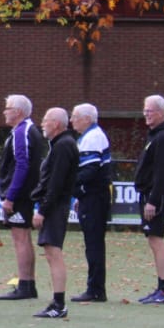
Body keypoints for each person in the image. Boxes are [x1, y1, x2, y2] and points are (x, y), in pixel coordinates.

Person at [0, 94, 46, 301]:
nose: (4, 112)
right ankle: (27, 284)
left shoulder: (22, 131)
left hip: (21, 195)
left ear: (17, 111)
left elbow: (22, 165)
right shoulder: (25, 131)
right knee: (22, 237)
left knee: (21, 237)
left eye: (7, 108)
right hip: (24, 193)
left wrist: (11, 196)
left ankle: (26, 284)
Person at [31, 107, 79, 319]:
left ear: (57, 124)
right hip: (55, 204)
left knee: (54, 252)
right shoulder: (60, 144)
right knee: (51, 252)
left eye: (46, 120)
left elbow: (56, 182)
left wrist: (43, 210)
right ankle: (57, 301)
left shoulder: (63, 145)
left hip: (56, 206)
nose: (42, 123)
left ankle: (59, 303)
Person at [136, 93, 164, 304]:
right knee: (153, 239)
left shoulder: (163, 137)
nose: (146, 114)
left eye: (149, 111)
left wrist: (153, 200)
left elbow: (163, 172)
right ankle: (161, 287)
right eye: (145, 110)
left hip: (155, 196)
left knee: (156, 239)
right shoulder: (154, 136)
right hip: (148, 193)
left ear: (161, 113)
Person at [70, 103, 112, 303]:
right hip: (92, 196)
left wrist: (71, 185)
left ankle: (95, 289)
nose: (72, 120)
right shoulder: (91, 136)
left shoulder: (92, 137)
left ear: (87, 119)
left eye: (75, 117)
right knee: (93, 243)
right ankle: (95, 288)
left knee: (93, 244)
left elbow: (90, 170)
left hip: (94, 197)